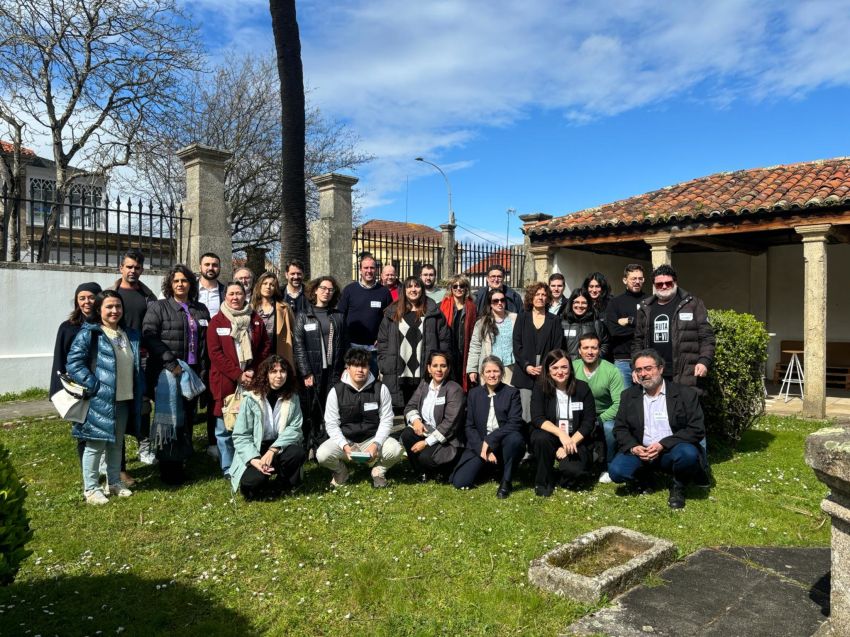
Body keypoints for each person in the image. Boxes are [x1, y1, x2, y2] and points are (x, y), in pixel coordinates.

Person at [66, 291, 144, 504]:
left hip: (123, 398)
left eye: (117, 306)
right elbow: (73, 363)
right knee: (95, 445)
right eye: (109, 307)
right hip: (99, 400)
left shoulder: (129, 334)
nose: (114, 311)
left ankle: (113, 482)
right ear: (99, 310)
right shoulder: (91, 334)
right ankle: (91, 489)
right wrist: (93, 384)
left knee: (116, 444)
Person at [609, 349, 709, 509]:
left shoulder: (685, 394)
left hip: (672, 449)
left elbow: (696, 429)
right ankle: (645, 478)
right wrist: (634, 448)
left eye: (648, 368)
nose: (643, 374)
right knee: (616, 471)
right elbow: (620, 428)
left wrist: (663, 444)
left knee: (688, 455)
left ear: (661, 369)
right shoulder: (628, 395)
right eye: (639, 370)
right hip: (642, 451)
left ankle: (678, 486)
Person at [143, 264, 211, 485]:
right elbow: (150, 336)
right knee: (170, 419)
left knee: (188, 419)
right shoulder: (158, 308)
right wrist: (171, 364)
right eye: (176, 281)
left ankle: (181, 461)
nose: (181, 284)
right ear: (170, 285)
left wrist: (202, 369)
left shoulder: (200, 310)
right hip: (168, 374)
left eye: (184, 280)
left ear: (191, 284)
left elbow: (204, 343)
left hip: (191, 373)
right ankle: (168, 468)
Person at [207, 281, 271, 478]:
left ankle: (247, 460)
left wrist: (252, 371)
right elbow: (215, 354)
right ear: (225, 297)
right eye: (231, 294)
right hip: (225, 381)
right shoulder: (217, 322)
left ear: (246, 296)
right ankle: (228, 467)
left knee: (249, 423)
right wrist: (237, 374)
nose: (235, 297)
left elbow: (265, 347)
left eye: (239, 294)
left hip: (251, 379)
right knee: (225, 425)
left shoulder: (255, 320)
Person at [317, 348, 404, 489]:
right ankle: (341, 472)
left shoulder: (381, 389)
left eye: (363, 366)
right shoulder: (336, 391)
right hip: (346, 441)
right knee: (322, 454)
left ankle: (378, 471)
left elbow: (387, 420)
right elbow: (331, 424)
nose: (360, 370)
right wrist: (344, 446)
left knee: (395, 449)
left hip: (371, 439)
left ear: (369, 367)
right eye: (355, 366)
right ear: (348, 368)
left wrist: (375, 444)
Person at [229, 355, 307, 499]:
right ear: (266, 374)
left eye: (282, 371)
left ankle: (282, 484)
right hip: (255, 448)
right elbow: (241, 435)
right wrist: (254, 459)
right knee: (252, 482)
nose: (279, 376)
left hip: (278, 447)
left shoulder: (293, 397)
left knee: (297, 452)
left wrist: (272, 450)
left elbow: (295, 428)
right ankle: (259, 482)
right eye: (273, 371)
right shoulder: (251, 399)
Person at [108, 249, 158, 471]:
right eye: (129, 266)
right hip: (117, 356)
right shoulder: (111, 293)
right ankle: (113, 454)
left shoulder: (149, 297)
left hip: (143, 358)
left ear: (142, 270)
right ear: (121, 268)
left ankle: (144, 445)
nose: (133, 271)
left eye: (137, 267)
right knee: (117, 404)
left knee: (143, 404)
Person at [451, 355, 525, 498]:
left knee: (515, 438)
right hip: (481, 445)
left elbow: (515, 422)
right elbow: (469, 426)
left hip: (503, 441)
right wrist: (482, 448)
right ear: (482, 374)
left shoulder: (512, 393)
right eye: (488, 371)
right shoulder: (474, 394)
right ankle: (491, 468)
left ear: (502, 373)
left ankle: (506, 481)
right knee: (460, 482)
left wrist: (490, 440)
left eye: (496, 371)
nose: (492, 375)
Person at [632, 264, 715, 391]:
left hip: (684, 372)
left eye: (668, 283)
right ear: (654, 285)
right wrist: (636, 367)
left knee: (684, 409)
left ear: (675, 282)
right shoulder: (645, 307)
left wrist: (704, 361)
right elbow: (638, 341)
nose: (664, 286)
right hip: (653, 373)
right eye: (659, 284)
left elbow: (707, 337)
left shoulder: (692, 304)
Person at [530, 349, 598, 496]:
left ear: (570, 368)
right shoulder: (540, 388)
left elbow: (588, 421)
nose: (559, 372)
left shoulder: (582, 388)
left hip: (576, 438)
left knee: (575, 473)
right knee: (540, 438)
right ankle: (543, 480)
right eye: (554, 367)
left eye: (564, 367)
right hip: (552, 436)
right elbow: (537, 418)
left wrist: (568, 444)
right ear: (548, 370)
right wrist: (561, 434)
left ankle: (561, 475)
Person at [377, 276, 451, 410]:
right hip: (399, 369)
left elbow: (444, 340)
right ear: (404, 290)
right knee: (401, 409)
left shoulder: (433, 311)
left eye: (416, 286)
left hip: (423, 369)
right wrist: (384, 363)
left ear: (422, 289)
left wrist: (440, 362)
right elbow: (383, 341)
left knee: (423, 409)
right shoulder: (392, 312)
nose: (413, 290)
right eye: (409, 286)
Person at [50, 282, 102, 462]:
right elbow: (60, 358)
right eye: (82, 298)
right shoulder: (68, 327)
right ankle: (87, 469)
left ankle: (110, 468)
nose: (87, 302)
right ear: (77, 301)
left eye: (91, 297)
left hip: (102, 384)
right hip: (79, 387)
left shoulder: (106, 324)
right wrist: (57, 390)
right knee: (82, 428)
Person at [293, 276, 345, 452]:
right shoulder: (303, 316)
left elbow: (345, 344)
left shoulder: (338, 316)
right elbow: (298, 346)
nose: (326, 292)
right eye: (323, 288)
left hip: (333, 370)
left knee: (330, 408)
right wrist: (306, 372)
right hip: (312, 372)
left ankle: (327, 444)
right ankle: (308, 444)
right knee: (310, 408)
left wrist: (344, 368)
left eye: (330, 290)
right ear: (315, 290)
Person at [401, 351, 465, 482]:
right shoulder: (424, 384)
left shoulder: (454, 389)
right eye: (435, 366)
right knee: (407, 434)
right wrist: (416, 421)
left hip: (447, 439)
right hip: (427, 432)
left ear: (448, 369)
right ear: (429, 368)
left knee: (425, 457)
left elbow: (450, 424)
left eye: (443, 366)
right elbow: (410, 406)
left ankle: (443, 470)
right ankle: (422, 473)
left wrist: (425, 443)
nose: (439, 370)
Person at [572, 333, 623, 483]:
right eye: (585, 348)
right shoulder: (572, 368)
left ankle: (607, 465)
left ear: (599, 350)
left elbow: (619, 403)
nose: (590, 352)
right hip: (579, 414)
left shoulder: (611, 370)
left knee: (608, 428)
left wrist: (598, 419)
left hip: (604, 415)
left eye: (593, 348)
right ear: (579, 350)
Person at [511, 282, 563, 422]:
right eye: (537, 294)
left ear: (548, 298)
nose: (540, 297)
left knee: (543, 411)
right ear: (531, 297)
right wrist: (526, 366)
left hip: (547, 373)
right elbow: (517, 345)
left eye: (544, 294)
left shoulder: (555, 320)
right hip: (524, 373)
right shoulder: (522, 317)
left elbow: (557, 347)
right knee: (525, 414)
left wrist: (547, 367)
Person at [337, 254, 393, 376]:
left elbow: (390, 319)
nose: (369, 271)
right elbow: (340, 316)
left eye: (372, 268)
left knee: (372, 382)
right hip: (352, 348)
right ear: (360, 269)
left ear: (376, 269)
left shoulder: (384, 292)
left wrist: (382, 337)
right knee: (353, 382)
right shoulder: (349, 290)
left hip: (374, 350)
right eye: (366, 267)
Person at [197, 252, 225, 459]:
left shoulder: (225, 292)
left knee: (215, 395)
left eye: (215, 265)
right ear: (200, 267)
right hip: (195, 350)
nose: (211, 268)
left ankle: (213, 441)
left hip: (219, 350)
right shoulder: (191, 291)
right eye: (207, 264)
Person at [605, 264, 646, 389]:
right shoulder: (615, 303)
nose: (637, 282)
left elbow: (652, 327)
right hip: (623, 361)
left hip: (646, 359)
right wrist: (641, 329)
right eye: (633, 278)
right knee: (625, 401)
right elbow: (614, 330)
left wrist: (630, 321)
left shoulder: (650, 301)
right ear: (625, 280)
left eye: (640, 278)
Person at [467, 288, 518, 386]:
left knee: (508, 397)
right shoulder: (481, 323)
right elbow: (475, 347)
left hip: (510, 368)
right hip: (489, 368)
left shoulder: (515, 319)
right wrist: (472, 369)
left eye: (502, 300)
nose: (500, 303)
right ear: (490, 304)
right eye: (495, 301)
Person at [438, 274, 477, 390]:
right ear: (451, 289)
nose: (459, 289)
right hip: (448, 351)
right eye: (455, 286)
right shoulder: (442, 307)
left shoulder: (472, 308)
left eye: (462, 286)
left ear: (466, 288)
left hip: (465, 351)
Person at [250, 271, 296, 369]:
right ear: (259, 286)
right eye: (265, 283)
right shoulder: (251, 308)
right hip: (256, 355)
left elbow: (295, 332)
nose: (268, 287)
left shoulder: (284, 308)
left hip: (278, 353)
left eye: (272, 285)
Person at [561, 289, 610, 360]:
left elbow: (605, 343)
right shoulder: (563, 324)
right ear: (571, 303)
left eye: (584, 303)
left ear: (589, 304)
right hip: (568, 367)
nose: (580, 305)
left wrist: (594, 358)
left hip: (590, 367)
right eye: (576, 302)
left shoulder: (596, 323)